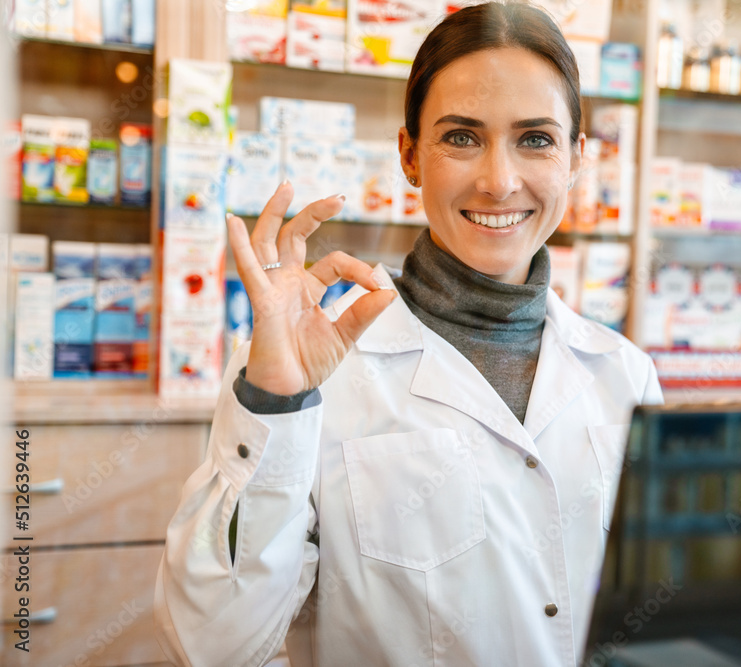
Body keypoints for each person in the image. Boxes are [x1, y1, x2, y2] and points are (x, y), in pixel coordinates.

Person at [153, 2, 662, 665]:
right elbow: (212, 645)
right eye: (461, 137)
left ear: (575, 159)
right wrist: (275, 399)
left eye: (535, 138)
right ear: (410, 155)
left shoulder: (624, 374)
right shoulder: (316, 371)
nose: (499, 180)